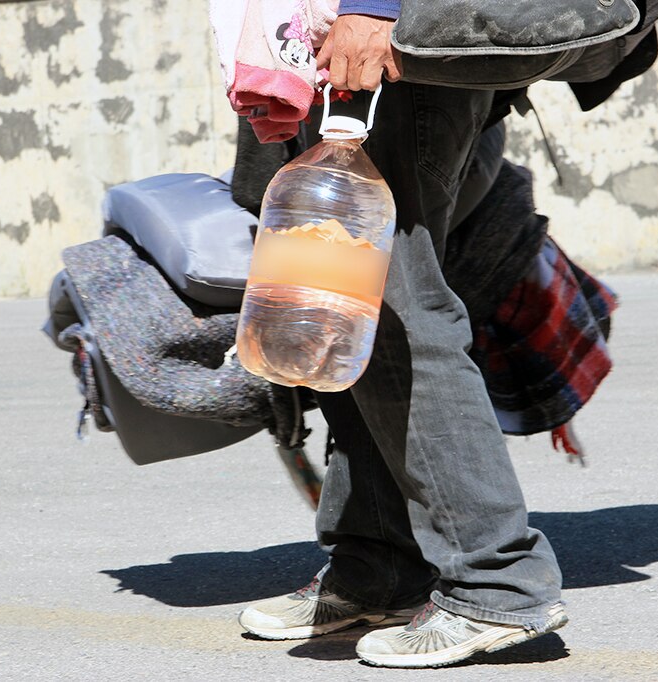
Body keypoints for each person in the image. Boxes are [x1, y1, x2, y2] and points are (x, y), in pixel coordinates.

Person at [237, 7, 567, 669]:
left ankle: (497, 581)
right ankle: (379, 562)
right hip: (329, 43)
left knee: (393, 310)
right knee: (337, 305)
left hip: (387, 45)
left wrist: (373, 7)